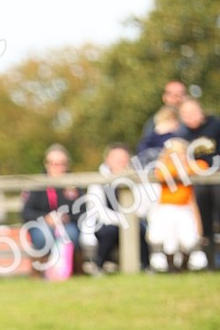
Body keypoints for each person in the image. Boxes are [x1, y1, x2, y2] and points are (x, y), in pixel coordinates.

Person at [80, 144, 150, 273]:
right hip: (107, 223)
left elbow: (144, 205)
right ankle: (99, 265)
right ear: (108, 160)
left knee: (139, 229)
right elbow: (98, 210)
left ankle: (145, 266)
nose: (121, 163)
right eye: (117, 159)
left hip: (133, 222)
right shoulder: (98, 180)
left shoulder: (137, 179)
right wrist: (122, 220)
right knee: (109, 232)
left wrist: (130, 219)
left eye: (124, 160)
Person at [146, 138, 205, 272]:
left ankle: (184, 265)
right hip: (167, 208)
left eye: (182, 153)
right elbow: (161, 173)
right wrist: (180, 169)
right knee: (169, 239)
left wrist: (184, 167)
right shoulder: (164, 166)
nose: (180, 157)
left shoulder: (190, 165)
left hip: (184, 207)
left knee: (188, 238)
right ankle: (171, 267)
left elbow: (202, 166)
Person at [21, 144, 82, 275]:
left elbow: (82, 210)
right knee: (42, 236)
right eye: (53, 163)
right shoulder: (37, 184)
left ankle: (73, 272)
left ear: (67, 165)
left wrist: (66, 217)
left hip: (68, 224)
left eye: (61, 164)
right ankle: (39, 273)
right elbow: (27, 212)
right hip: (42, 224)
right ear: (46, 164)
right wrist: (46, 218)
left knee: (71, 235)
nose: (57, 167)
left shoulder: (73, 185)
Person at [177, 98, 220, 267]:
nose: (191, 117)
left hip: (217, 178)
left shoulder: (215, 125)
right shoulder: (182, 134)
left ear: (201, 111)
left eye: (193, 112)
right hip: (198, 181)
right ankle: (211, 264)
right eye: (186, 114)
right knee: (204, 222)